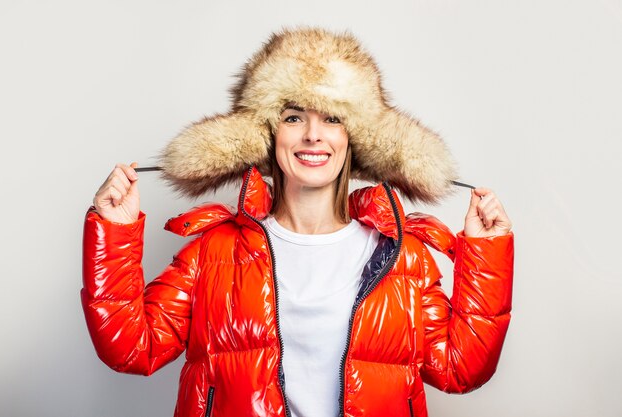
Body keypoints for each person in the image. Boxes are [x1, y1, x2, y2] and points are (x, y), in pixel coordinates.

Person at [82, 28, 514, 417]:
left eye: (332, 118)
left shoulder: (403, 258)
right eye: (293, 117)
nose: (312, 134)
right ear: (269, 135)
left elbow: (461, 369)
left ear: (353, 140)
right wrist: (113, 231)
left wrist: (486, 253)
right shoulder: (213, 253)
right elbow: (132, 348)